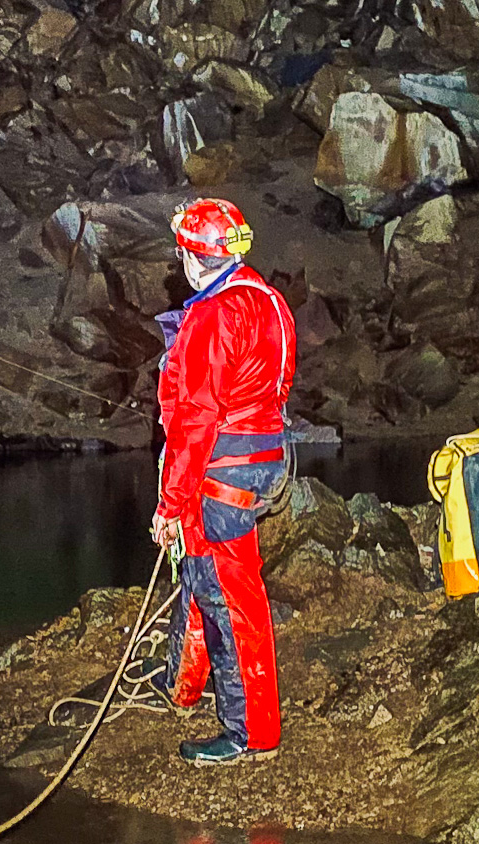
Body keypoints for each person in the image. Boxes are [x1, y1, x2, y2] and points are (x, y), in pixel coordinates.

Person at [150, 198, 296, 763]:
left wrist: (170, 503)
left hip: (222, 469)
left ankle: (249, 733)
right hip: (259, 458)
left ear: (192, 257)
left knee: (232, 600)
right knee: (202, 574)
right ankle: (182, 684)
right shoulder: (268, 300)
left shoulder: (214, 316)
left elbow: (195, 419)